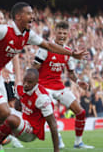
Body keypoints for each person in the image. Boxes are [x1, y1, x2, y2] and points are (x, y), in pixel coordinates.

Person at [0, 2, 87, 151]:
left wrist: (72, 53)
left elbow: (48, 45)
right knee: (3, 111)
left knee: (0, 116)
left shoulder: (27, 35)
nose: (32, 17)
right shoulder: (4, 30)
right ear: (19, 16)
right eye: (29, 14)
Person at [33, 21, 94, 149]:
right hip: (44, 87)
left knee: (81, 112)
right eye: (59, 32)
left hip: (58, 87)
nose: (61, 35)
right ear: (55, 32)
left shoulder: (68, 52)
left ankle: (78, 142)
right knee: (51, 113)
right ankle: (58, 138)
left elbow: (70, 73)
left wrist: (78, 82)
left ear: (68, 34)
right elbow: (34, 68)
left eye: (64, 33)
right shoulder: (46, 47)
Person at [0, 68, 60, 152]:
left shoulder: (42, 98)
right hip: (23, 120)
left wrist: (56, 150)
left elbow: (53, 124)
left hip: (31, 131)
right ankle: (0, 140)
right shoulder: (20, 88)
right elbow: (17, 107)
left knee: (10, 119)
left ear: (36, 82)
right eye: (25, 81)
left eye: (30, 82)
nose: (26, 84)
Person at [0, 9, 24, 148]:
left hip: (9, 77)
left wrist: (18, 78)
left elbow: (15, 56)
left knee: (13, 106)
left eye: (1, 18)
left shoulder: (9, 34)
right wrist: (0, 68)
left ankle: (12, 136)